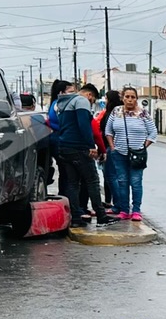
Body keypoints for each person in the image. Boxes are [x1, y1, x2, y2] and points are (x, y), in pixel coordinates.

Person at [52, 82, 111, 226]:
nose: (91, 103)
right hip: (79, 147)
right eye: (93, 100)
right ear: (89, 95)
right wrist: (91, 146)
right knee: (92, 181)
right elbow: (84, 125)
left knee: (72, 183)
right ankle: (101, 215)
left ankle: (76, 217)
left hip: (64, 146)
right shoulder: (81, 101)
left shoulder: (62, 103)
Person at [105, 86, 157, 220]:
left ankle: (136, 210)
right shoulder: (116, 112)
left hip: (137, 155)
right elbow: (108, 131)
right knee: (122, 181)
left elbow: (153, 133)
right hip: (119, 153)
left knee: (136, 182)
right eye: (127, 97)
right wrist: (112, 147)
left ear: (136, 99)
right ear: (122, 98)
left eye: (132, 97)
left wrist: (143, 147)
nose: (129, 100)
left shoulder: (143, 113)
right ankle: (124, 210)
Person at [94, 88, 120, 212]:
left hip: (111, 148)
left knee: (111, 176)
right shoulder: (119, 112)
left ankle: (118, 205)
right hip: (114, 148)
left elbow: (106, 132)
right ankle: (118, 203)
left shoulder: (111, 114)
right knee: (117, 177)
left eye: (107, 98)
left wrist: (104, 149)